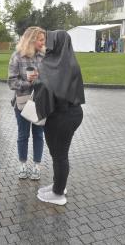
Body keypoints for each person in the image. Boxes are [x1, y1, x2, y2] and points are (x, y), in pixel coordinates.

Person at [34, 30, 85, 206]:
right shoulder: (71, 63)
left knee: (59, 155)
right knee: (59, 154)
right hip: (73, 113)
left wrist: (36, 80)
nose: (46, 43)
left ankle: (58, 194)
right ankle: (58, 185)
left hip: (60, 116)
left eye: (49, 40)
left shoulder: (50, 64)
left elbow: (46, 91)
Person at [8, 26, 46, 180]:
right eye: (41, 39)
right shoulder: (17, 57)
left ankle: (36, 166)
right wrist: (28, 83)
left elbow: (52, 78)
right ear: (31, 40)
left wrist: (41, 79)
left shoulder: (44, 56)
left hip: (41, 102)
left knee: (38, 134)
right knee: (23, 135)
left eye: (44, 39)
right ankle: (22, 164)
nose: (43, 42)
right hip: (22, 103)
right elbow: (11, 82)